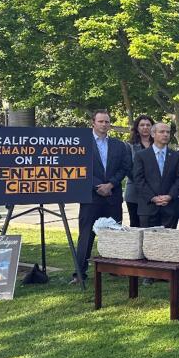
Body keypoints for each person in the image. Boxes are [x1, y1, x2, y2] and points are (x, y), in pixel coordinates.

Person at [73, 110, 132, 285]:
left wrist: (111, 184)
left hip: (112, 195)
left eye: (107, 121)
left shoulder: (119, 145)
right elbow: (79, 167)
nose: (104, 124)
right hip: (91, 196)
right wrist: (97, 185)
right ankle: (79, 273)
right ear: (93, 123)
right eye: (101, 121)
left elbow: (124, 167)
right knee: (86, 235)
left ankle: (115, 269)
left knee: (114, 233)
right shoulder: (82, 144)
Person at [133, 122, 179, 228]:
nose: (165, 134)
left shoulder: (176, 156)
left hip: (169, 208)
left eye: (168, 132)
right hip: (148, 208)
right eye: (162, 132)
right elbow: (138, 180)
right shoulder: (141, 155)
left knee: (167, 243)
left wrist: (170, 196)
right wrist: (153, 198)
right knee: (148, 243)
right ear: (153, 134)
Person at [124, 115, 154, 227]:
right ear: (137, 128)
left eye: (148, 125)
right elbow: (128, 168)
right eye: (142, 125)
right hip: (135, 192)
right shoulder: (129, 146)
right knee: (136, 225)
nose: (145, 127)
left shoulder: (158, 145)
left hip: (156, 191)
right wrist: (143, 184)